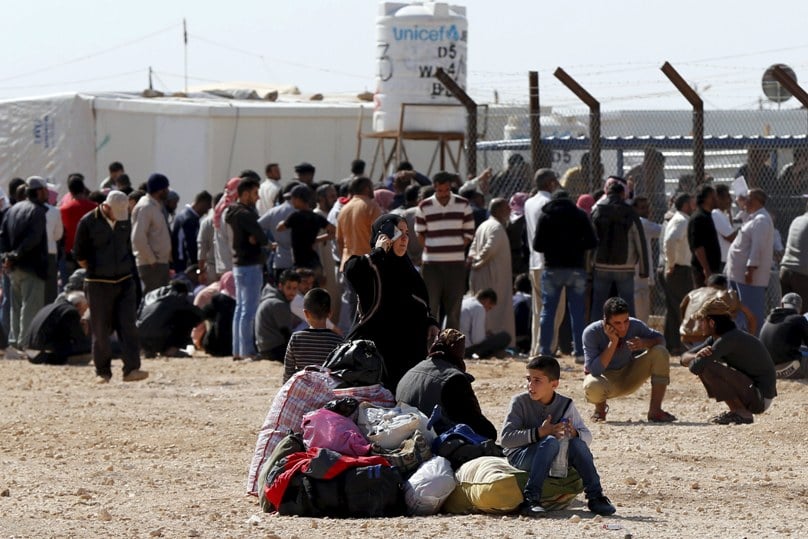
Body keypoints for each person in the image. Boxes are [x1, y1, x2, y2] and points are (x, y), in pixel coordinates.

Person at [501, 355, 616, 517]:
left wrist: (574, 432)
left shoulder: (565, 404)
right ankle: (531, 499)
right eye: (529, 379)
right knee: (549, 442)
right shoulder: (519, 402)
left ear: (554, 384)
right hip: (521, 455)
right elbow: (506, 439)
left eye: (537, 381)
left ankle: (595, 496)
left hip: (556, 456)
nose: (530, 385)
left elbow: (587, 436)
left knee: (577, 443)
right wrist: (540, 432)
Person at [345, 214, 439, 392]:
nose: (404, 238)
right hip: (378, 363)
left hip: (410, 358)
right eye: (398, 232)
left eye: (407, 232)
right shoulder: (374, 266)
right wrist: (378, 252)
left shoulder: (409, 270)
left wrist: (431, 322)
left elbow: (423, 304)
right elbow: (351, 271)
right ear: (384, 236)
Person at [73, 190, 147, 383]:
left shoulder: (124, 221)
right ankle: (102, 372)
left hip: (124, 280)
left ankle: (131, 369)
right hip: (98, 284)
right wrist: (98, 269)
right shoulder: (87, 222)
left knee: (128, 326)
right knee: (100, 329)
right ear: (106, 207)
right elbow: (80, 255)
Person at [680, 296, 776, 424]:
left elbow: (695, 367)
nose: (699, 325)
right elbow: (683, 357)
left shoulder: (728, 340)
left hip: (760, 398)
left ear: (712, 323)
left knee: (708, 367)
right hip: (754, 392)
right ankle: (737, 410)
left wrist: (698, 358)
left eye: (702, 321)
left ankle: (741, 413)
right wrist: (697, 355)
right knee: (707, 364)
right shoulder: (720, 338)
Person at [582, 297, 675, 423]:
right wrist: (613, 342)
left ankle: (655, 411)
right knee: (591, 385)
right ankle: (600, 411)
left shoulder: (635, 325)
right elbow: (595, 370)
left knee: (660, 351)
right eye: (617, 323)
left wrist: (645, 343)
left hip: (630, 374)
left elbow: (661, 340)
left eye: (625, 321)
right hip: (605, 380)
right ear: (605, 321)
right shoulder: (591, 333)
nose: (623, 327)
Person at [396, 328, 497, 439]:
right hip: (429, 438)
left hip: (399, 432)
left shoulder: (414, 369)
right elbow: (475, 421)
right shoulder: (454, 379)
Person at [533, 189, 597, 363]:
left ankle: (545, 350)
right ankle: (579, 352)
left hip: (552, 268)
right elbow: (592, 241)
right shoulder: (580, 216)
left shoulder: (545, 216)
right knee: (577, 312)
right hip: (576, 268)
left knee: (548, 311)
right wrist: (577, 247)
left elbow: (537, 245)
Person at [415, 172, 474, 331]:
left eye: (446, 190)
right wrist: (431, 248)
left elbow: (469, 232)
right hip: (431, 265)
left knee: (454, 310)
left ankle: (451, 349)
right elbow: (419, 232)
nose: (443, 194)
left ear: (450, 187)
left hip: (455, 264)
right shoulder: (424, 206)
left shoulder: (463, 204)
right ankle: (429, 349)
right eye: (440, 190)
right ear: (434, 188)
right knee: (431, 309)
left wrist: (455, 247)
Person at [0, 176, 49, 354]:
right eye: (45, 190)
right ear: (38, 191)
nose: (47, 194)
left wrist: (7, 257)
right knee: (31, 305)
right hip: (31, 265)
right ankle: (26, 343)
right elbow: (34, 239)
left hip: (13, 267)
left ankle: (14, 342)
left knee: (16, 305)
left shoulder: (11, 210)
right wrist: (15, 255)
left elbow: (2, 236)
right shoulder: (37, 211)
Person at [590, 177, 649, 321]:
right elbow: (640, 241)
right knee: (628, 304)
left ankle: (594, 338)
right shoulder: (630, 212)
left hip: (601, 265)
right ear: (623, 194)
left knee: (598, 304)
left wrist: (588, 266)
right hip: (625, 266)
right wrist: (643, 269)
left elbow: (590, 240)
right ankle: (630, 339)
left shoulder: (597, 211)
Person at [225, 177, 268, 361]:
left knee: (240, 309)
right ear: (245, 194)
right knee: (248, 310)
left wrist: (256, 238)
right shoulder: (245, 214)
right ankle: (247, 351)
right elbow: (262, 237)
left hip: (238, 265)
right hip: (250, 264)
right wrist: (259, 239)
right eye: (254, 193)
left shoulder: (233, 212)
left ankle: (238, 350)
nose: (257, 197)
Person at [725, 188, 774, 337]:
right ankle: (741, 344)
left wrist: (750, 269)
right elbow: (741, 215)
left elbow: (757, 247)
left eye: (748, 198)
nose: (745, 200)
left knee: (750, 313)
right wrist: (741, 202)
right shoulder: (753, 217)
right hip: (738, 276)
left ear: (756, 201)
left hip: (749, 278)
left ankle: (753, 345)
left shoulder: (761, 220)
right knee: (739, 312)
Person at [336, 176, 382, 333]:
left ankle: (353, 336)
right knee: (371, 304)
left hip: (348, 262)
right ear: (368, 188)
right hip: (369, 263)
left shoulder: (344, 209)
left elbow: (339, 241)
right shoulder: (371, 206)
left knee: (353, 305)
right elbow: (381, 235)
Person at [467, 198, 514, 345]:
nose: (510, 210)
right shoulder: (496, 227)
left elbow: (473, 248)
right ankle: (491, 343)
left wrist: (473, 260)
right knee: (493, 310)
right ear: (499, 210)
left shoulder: (484, 225)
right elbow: (489, 249)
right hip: (492, 276)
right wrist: (478, 261)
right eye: (507, 208)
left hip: (482, 274)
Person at [523, 168, 560, 354]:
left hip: (534, 262)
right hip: (551, 263)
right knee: (555, 311)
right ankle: (548, 349)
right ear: (551, 183)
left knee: (539, 310)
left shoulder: (529, 203)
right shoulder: (550, 203)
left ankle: (535, 349)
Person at [659, 192, 695, 354]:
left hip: (680, 269)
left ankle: (671, 343)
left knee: (674, 308)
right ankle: (678, 343)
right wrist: (671, 264)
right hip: (679, 270)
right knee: (680, 308)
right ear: (686, 205)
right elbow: (670, 240)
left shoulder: (682, 220)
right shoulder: (680, 221)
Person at [283, 287, 343, 382]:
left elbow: (288, 372)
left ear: (306, 314)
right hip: (326, 392)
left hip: (302, 391)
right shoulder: (338, 341)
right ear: (330, 313)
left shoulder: (296, 338)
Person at [680, 274, 757, 346]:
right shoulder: (726, 293)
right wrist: (750, 339)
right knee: (735, 315)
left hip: (687, 338)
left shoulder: (693, 293)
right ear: (724, 285)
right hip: (709, 340)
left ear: (708, 283)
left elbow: (682, 308)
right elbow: (751, 318)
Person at [137, 280, 204, 358]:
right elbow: (198, 313)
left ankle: (146, 350)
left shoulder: (149, 295)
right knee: (188, 315)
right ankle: (171, 349)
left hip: (140, 338)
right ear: (183, 293)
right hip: (160, 338)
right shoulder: (176, 296)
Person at [277, 185, 335, 274]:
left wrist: (282, 222)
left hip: (301, 264)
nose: (291, 201)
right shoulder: (316, 217)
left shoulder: (295, 216)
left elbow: (279, 228)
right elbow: (334, 231)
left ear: (299, 199)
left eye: (292, 198)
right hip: (315, 262)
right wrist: (317, 240)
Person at [23, 291, 91, 365]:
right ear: (79, 305)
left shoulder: (51, 306)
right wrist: (84, 329)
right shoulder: (71, 312)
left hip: (30, 353)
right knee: (89, 349)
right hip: (42, 356)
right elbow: (80, 340)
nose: (84, 314)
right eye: (84, 310)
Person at [131, 173, 172, 293]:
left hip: (159, 264)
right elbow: (138, 238)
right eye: (166, 189)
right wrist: (152, 260)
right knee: (152, 302)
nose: (168, 191)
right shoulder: (146, 207)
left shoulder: (155, 206)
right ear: (160, 190)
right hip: (151, 266)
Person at [759, 292, 808, 379]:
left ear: (782, 304)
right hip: (789, 370)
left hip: (768, 370)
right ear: (799, 308)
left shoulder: (768, 319)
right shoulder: (799, 319)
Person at [255, 269, 300, 361]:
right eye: (288, 288)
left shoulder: (271, 299)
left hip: (264, 349)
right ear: (280, 286)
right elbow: (287, 335)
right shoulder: (279, 304)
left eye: (295, 288)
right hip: (273, 351)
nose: (292, 292)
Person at [631, 196, 662, 324]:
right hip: (640, 275)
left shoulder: (630, 221)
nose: (647, 211)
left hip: (631, 273)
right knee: (641, 314)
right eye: (642, 208)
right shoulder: (642, 222)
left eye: (647, 207)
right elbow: (662, 230)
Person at [59, 174, 97, 277]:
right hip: (92, 253)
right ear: (83, 189)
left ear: (70, 192)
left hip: (70, 253)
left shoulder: (63, 210)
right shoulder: (95, 208)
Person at [259, 181, 297, 283]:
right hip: (299, 262)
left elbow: (256, 228)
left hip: (280, 261)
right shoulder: (301, 212)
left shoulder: (274, 211)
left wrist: (269, 244)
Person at [459, 289, 511, 359]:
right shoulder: (479, 307)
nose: (488, 310)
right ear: (487, 301)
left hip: (456, 346)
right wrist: (487, 337)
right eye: (489, 307)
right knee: (505, 336)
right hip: (466, 350)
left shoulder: (465, 301)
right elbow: (477, 340)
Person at [687, 184, 721, 288]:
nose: (716, 199)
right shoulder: (699, 218)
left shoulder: (707, 216)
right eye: (713, 197)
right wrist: (706, 270)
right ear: (707, 199)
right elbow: (698, 247)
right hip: (704, 272)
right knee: (704, 301)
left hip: (711, 269)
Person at [171, 190, 212, 272]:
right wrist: (197, 266)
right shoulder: (189, 219)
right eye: (207, 208)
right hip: (184, 264)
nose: (206, 212)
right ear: (201, 203)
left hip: (179, 261)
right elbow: (191, 245)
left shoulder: (183, 215)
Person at [779, 200, 808, 307]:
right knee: (804, 317)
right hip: (803, 275)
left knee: (787, 312)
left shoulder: (797, 220)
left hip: (786, 270)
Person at [711, 184, 737, 269]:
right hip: (721, 262)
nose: (730, 200)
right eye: (727, 197)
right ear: (718, 198)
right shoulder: (716, 214)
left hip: (725, 260)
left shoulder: (722, 214)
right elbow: (731, 237)